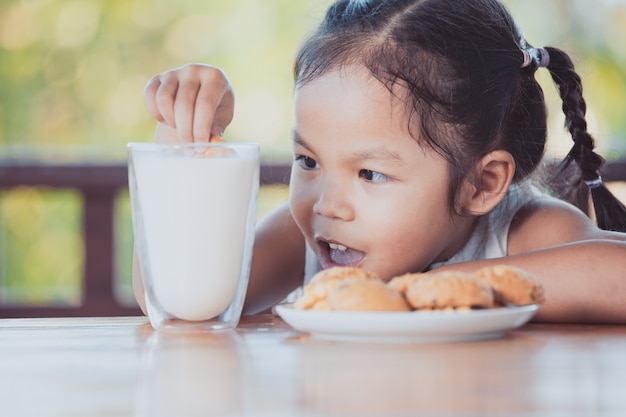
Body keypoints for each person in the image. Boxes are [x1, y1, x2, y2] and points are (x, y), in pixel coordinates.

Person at [135, 0, 626, 323]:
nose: (327, 203)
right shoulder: (310, 235)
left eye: (370, 173)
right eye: (308, 160)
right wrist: (182, 133)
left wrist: (444, 286)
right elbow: (187, 303)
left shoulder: (516, 232)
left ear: (480, 184)